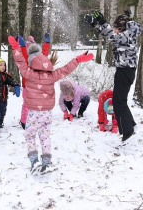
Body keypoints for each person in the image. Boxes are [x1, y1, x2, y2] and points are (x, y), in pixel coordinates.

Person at [8, 35, 94, 175]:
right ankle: (47, 163)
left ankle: (34, 161)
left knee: (30, 135)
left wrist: (16, 48)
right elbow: (66, 69)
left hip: (34, 112)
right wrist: (78, 59)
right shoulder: (52, 75)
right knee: (45, 136)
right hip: (47, 113)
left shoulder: (29, 73)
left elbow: (20, 61)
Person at [91, 10, 141, 145]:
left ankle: (128, 133)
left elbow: (113, 37)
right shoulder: (127, 34)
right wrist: (97, 25)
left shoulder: (128, 34)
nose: (114, 30)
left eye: (115, 28)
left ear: (121, 28)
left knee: (118, 103)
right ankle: (131, 126)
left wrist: (102, 22)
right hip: (124, 70)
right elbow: (111, 36)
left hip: (126, 71)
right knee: (120, 100)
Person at [15, 33, 51, 129]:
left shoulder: (38, 59)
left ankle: (33, 120)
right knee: (27, 104)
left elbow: (44, 53)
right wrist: (22, 45)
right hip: (28, 86)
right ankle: (24, 121)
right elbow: (23, 53)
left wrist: (47, 43)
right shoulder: (26, 59)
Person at [0, 57, 20, 134]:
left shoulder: (6, 75)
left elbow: (12, 81)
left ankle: (0, 125)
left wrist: (16, 86)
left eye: (4, 65)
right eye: (1, 65)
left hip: (4, 99)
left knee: (3, 112)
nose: (3, 67)